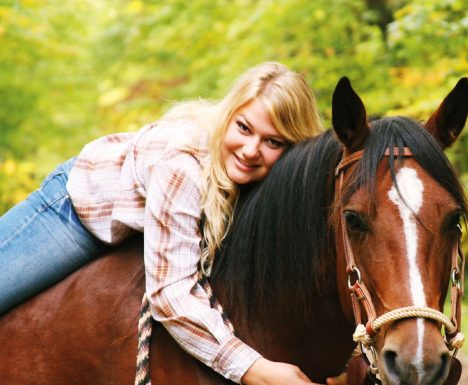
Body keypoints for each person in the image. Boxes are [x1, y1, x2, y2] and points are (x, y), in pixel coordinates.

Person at [0, 62, 333, 384]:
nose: (250, 150)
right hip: (78, 208)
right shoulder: (183, 166)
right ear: (227, 116)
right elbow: (171, 293)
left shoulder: (277, 182)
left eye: (272, 141)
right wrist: (253, 368)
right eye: (244, 128)